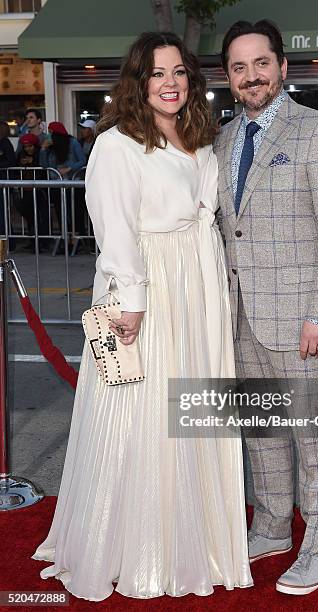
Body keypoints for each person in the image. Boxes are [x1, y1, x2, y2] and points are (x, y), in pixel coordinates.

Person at [32, 31, 253, 600]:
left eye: (179, 72)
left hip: (197, 286)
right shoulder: (117, 144)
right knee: (144, 412)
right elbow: (115, 232)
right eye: (157, 73)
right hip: (149, 288)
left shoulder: (200, 136)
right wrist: (131, 302)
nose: (171, 83)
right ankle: (138, 546)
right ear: (138, 81)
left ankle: (196, 537)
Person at [215, 20, 318, 596]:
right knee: (263, 433)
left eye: (261, 63)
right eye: (239, 66)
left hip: (305, 320)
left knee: (315, 438)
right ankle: (273, 526)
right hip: (241, 317)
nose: (252, 75)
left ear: (282, 67)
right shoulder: (224, 139)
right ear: (228, 76)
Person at [13, 133, 49, 251]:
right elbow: (15, 168)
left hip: (39, 190)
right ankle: (33, 241)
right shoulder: (21, 155)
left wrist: (33, 162)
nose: (28, 148)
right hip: (26, 189)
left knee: (40, 216)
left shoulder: (40, 154)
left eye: (30, 146)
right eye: (25, 146)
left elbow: (44, 168)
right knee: (29, 217)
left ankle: (43, 242)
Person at [0, 121, 17, 239]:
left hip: (4, 182)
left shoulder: (5, 143)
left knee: (2, 213)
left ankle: (8, 240)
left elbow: (11, 161)